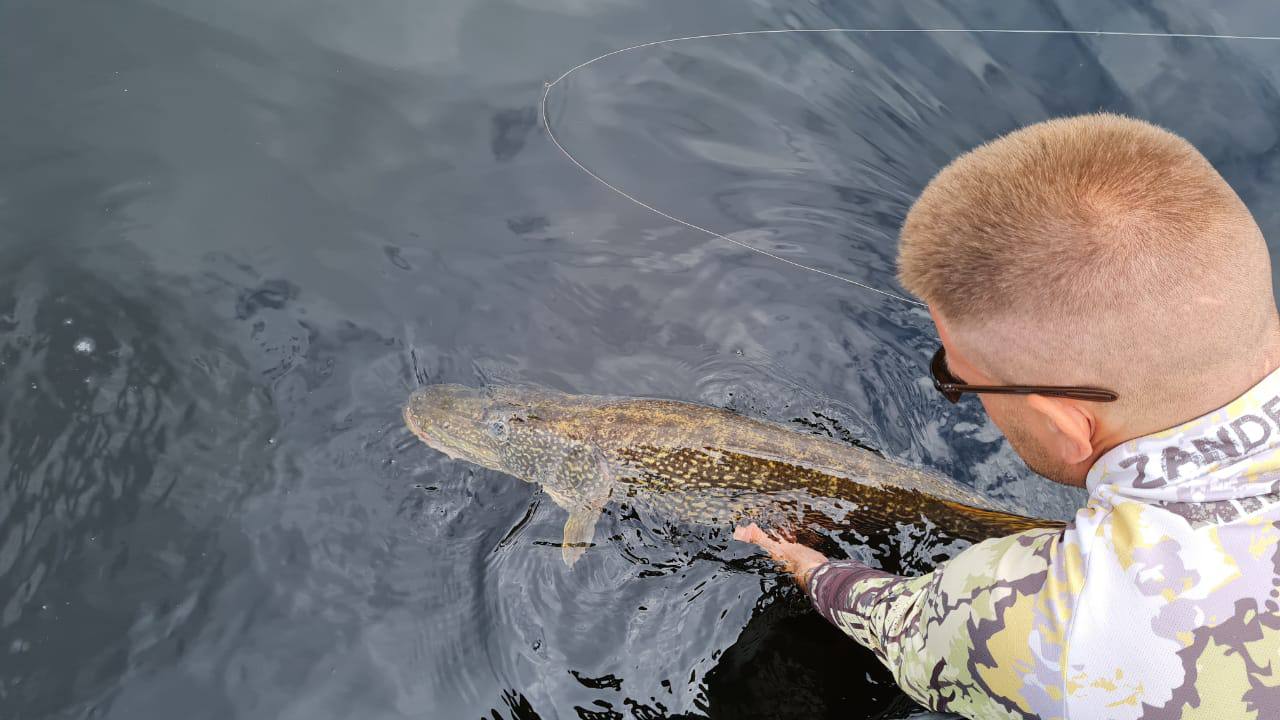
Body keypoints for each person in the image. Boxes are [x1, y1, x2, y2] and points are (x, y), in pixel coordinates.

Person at [735, 113, 1280, 719]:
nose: (952, 383)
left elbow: (900, 624)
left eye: (956, 378)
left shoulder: (1038, 625)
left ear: (1067, 426)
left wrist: (803, 563)